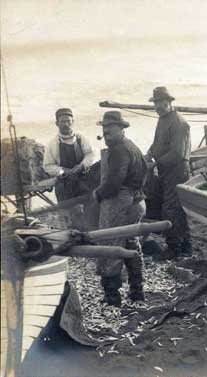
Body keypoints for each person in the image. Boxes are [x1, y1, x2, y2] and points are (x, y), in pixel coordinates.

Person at [92, 111, 147, 307]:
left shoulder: (118, 150)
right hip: (137, 200)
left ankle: (112, 298)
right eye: (104, 128)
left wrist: (98, 194)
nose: (106, 132)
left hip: (121, 201)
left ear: (121, 128)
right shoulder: (131, 146)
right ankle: (137, 292)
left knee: (110, 245)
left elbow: (114, 184)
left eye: (110, 128)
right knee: (131, 243)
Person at [146, 86, 192, 259]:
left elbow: (177, 153)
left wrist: (155, 163)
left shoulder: (179, 122)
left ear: (169, 102)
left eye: (160, 102)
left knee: (171, 208)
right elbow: (158, 141)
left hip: (178, 170)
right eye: (155, 102)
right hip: (166, 170)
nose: (157, 106)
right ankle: (185, 246)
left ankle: (175, 248)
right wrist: (149, 153)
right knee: (173, 207)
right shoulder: (163, 118)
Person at [43, 108, 95, 201]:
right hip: (64, 184)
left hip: (83, 181)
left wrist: (82, 165)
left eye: (68, 121)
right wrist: (62, 171)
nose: (66, 124)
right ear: (57, 123)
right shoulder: (52, 143)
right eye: (62, 122)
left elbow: (90, 154)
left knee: (87, 209)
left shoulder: (81, 138)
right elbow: (47, 166)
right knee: (67, 212)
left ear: (73, 122)